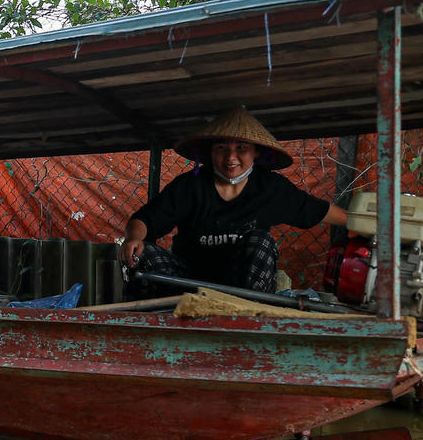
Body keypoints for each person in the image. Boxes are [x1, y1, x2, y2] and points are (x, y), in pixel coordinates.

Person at [118, 106, 347, 297]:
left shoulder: (271, 188)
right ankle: (157, 324)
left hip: (242, 290)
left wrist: (367, 225)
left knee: (262, 242)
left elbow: (319, 210)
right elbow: (143, 220)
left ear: (256, 152)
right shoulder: (190, 185)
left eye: (241, 148)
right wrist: (134, 239)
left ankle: (248, 323)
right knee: (143, 254)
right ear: (210, 153)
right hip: (188, 282)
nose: (230, 158)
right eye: (221, 148)